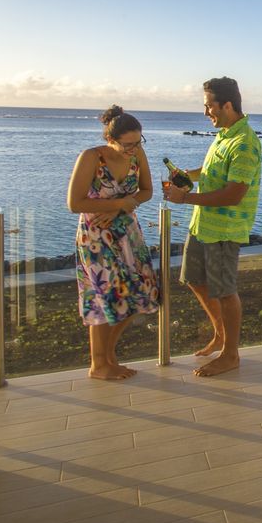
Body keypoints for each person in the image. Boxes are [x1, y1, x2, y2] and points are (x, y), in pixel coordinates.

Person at [163, 77, 261, 377]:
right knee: (194, 279)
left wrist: (185, 198)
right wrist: (187, 176)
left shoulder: (244, 143)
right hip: (202, 225)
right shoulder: (225, 135)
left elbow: (234, 194)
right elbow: (211, 172)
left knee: (226, 291)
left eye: (209, 106)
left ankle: (231, 354)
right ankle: (220, 334)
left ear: (227, 105)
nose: (206, 112)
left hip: (224, 231)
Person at [66, 105, 160, 380]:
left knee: (136, 295)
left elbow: (146, 191)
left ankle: (109, 357)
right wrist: (119, 203)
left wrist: (118, 209)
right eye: (127, 144)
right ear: (110, 139)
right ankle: (99, 365)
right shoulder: (91, 158)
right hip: (96, 238)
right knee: (105, 298)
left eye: (138, 142)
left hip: (127, 234)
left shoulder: (137, 155)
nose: (134, 149)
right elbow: (74, 203)